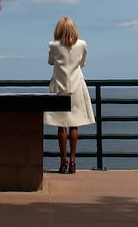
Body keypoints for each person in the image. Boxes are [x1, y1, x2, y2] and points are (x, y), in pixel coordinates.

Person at [43, 16, 94, 174]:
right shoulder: (82, 44)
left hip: (59, 87)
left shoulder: (53, 45)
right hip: (77, 86)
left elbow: (50, 61)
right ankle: (73, 161)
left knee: (61, 126)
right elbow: (82, 63)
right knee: (74, 124)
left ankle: (62, 161)